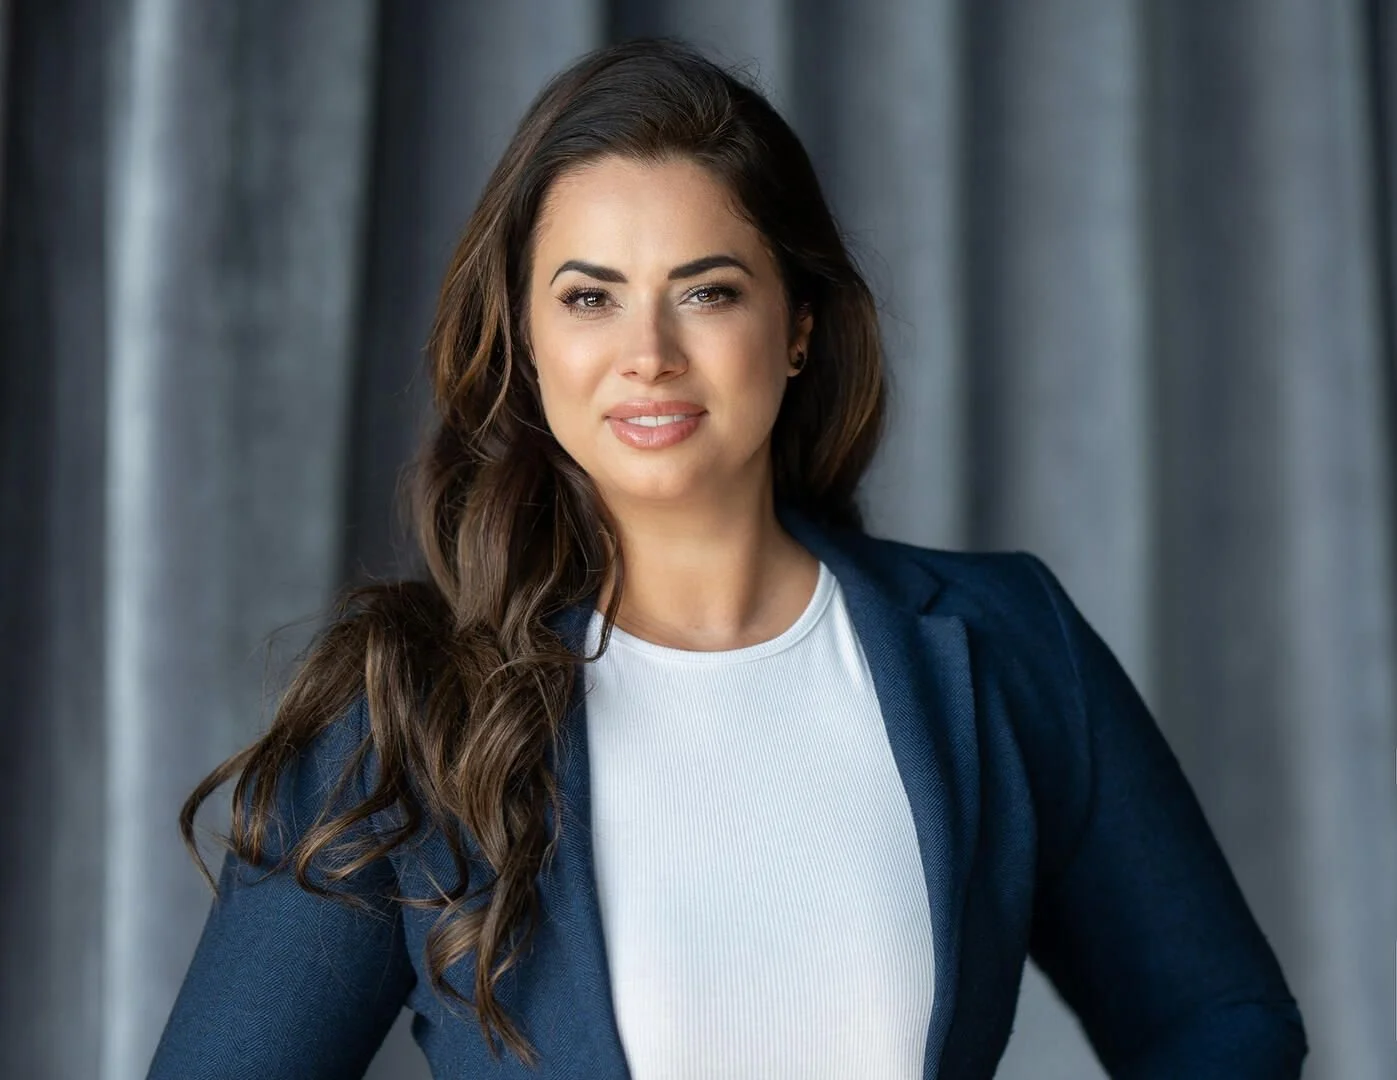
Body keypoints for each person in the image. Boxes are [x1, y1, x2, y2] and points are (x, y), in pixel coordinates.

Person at [146, 37, 1306, 1080]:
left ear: (796, 327)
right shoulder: (406, 707)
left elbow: (1222, 1021)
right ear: (528, 337)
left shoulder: (1005, 643)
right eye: (589, 298)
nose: (646, 353)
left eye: (705, 292)